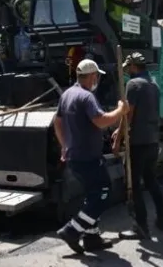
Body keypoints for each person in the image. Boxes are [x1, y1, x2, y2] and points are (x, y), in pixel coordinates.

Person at [54, 59, 129, 254]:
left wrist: (64, 146)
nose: (97, 79)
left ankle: (92, 238)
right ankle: (72, 230)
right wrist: (121, 111)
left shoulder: (67, 94)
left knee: (92, 195)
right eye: (96, 76)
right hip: (88, 157)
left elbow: (58, 122)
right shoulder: (87, 97)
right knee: (102, 195)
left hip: (74, 156)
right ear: (91, 76)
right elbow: (101, 121)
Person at [115, 52, 163, 240]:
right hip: (152, 141)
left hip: (138, 142)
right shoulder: (154, 86)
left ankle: (140, 226)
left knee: (134, 185)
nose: (127, 71)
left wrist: (119, 137)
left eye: (128, 67)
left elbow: (127, 115)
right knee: (151, 180)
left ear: (133, 66)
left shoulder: (133, 85)